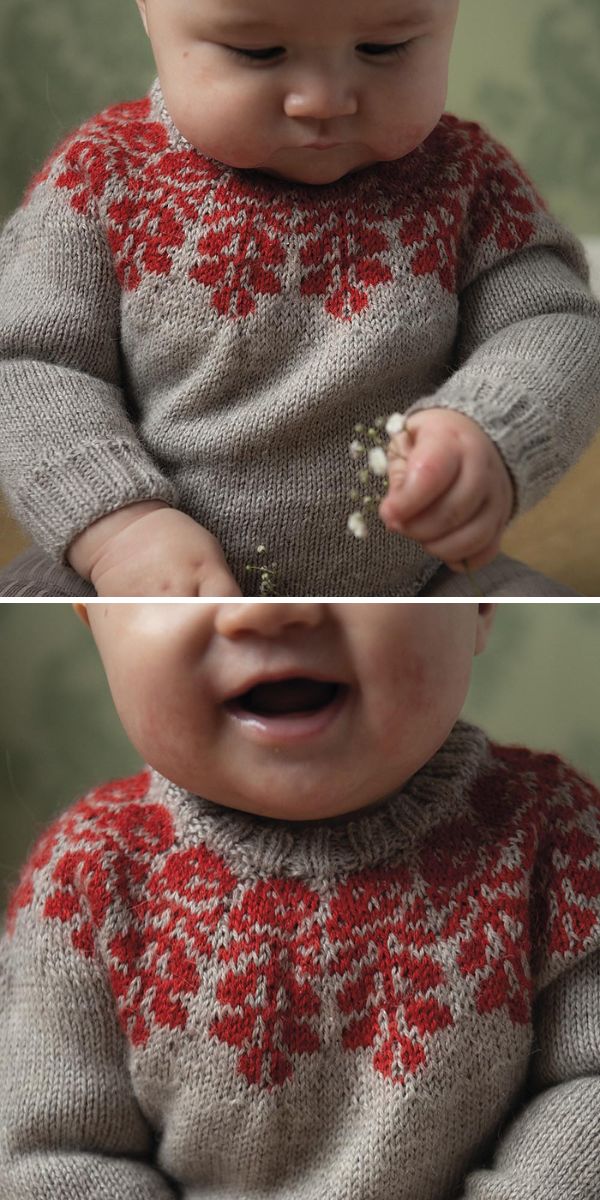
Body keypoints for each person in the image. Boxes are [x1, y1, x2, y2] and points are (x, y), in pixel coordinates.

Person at [1, 600, 599, 1199]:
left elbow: (587, 1089)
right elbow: (52, 1154)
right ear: (95, 619)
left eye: (348, 571)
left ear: (478, 602)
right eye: (187, 586)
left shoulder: (552, 833)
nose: (266, 609)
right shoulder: (90, 872)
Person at [1, 0, 599, 598]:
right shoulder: (103, 174)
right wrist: (117, 527)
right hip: (137, 563)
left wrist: (491, 425)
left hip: (417, 575)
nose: (323, 101)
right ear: (147, 12)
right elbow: (29, 364)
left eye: (382, 48)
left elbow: (555, 325)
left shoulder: (465, 180)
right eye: (258, 51)